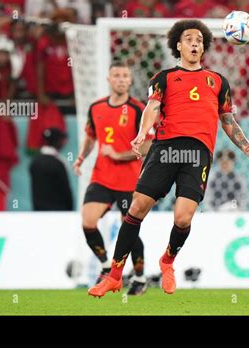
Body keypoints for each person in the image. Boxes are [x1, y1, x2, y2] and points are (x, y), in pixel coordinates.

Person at [88, 19, 249, 298]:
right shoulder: (163, 77)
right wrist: (142, 133)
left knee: (183, 217)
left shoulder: (218, 81)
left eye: (199, 41)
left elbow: (228, 121)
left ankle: (167, 261)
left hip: (198, 153)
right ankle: (115, 275)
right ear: (178, 45)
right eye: (189, 39)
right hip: (165, 149)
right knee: (137, 207)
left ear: (204, 49)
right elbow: (152, 107)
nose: (194, 44)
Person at [74, 61, 153, 295]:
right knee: (88, 221)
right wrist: (80, 158)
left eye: (124, 75)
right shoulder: (96, 107)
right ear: (109, 79)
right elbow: (90, 137)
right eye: (116, 75)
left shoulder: (139, 109)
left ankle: (139, 277)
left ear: (130, 81)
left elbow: (148, 144)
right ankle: (106, 266)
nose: (120, 79)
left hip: (130, 181)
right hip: (101, 177)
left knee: (129, 230)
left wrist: (119, 155)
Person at [29, 128, 73, 211]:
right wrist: (69, 209)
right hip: (59, 212)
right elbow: (65, 189)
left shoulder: (35, 162)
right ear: (57, 141)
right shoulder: (59, 162)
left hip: (39, 211)